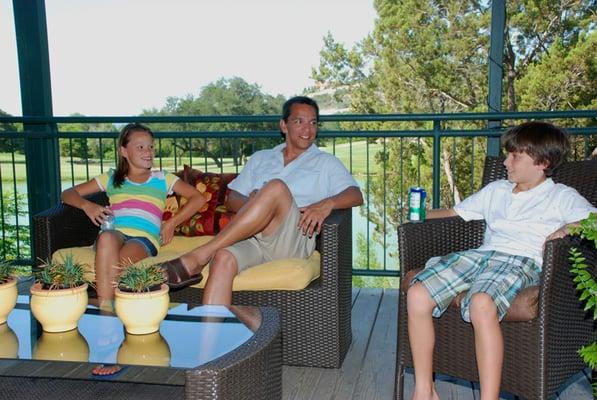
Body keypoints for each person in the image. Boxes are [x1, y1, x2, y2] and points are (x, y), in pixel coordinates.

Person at [406, 121, 597, 400]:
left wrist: (567, 229)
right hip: (481, 257)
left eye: (515, 156)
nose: (506, 161)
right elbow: (456, 213)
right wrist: (418, 215)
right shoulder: (497, 189)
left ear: (542, 162)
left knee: (482, 302)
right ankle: (424, 390)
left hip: (521, 261)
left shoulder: (561, 197)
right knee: (417, 293)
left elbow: (593, 219)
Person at [161, 96, 363, 305]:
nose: (307, 129)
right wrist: (256, 203)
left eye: (313, 122)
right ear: (283, 125)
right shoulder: (261, 158)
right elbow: (232, 199)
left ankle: (199, 256)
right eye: (299, 121)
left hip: (293, 237)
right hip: (253, 238)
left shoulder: (325, 162)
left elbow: (355, 194)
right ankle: (211, 336)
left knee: (276, 188)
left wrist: (327, 204)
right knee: (223, 259)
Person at [61, 123, 206, 306]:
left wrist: (171, 223)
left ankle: (104, 308)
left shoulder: (162, 178)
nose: (148, 151)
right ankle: (108, 310)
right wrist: (87, 205)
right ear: (124, 151)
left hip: (143, 239)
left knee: (117, 267)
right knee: (106, 238)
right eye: (140, 147)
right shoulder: (111, 178)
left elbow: (198, 198)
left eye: (151, 146)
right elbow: (67, 194)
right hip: (114, 233)